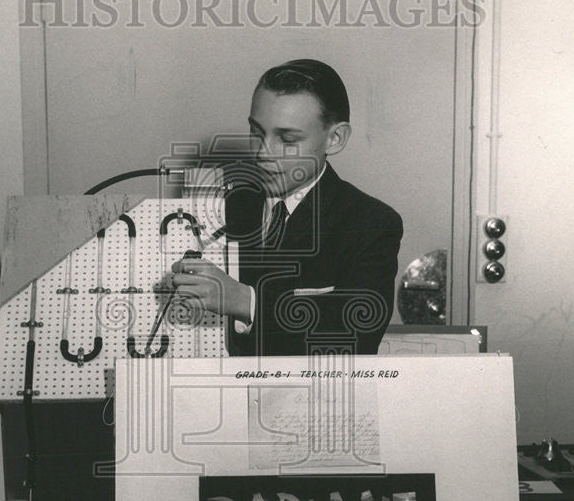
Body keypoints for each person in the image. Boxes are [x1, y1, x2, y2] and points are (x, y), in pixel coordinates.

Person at [171, 59, 403, 357]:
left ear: (335, 138)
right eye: (256, 132)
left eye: (287, 139)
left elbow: (356, 336)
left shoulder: (371, 223)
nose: (262, 153)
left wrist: (245, 301)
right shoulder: (217, 205)